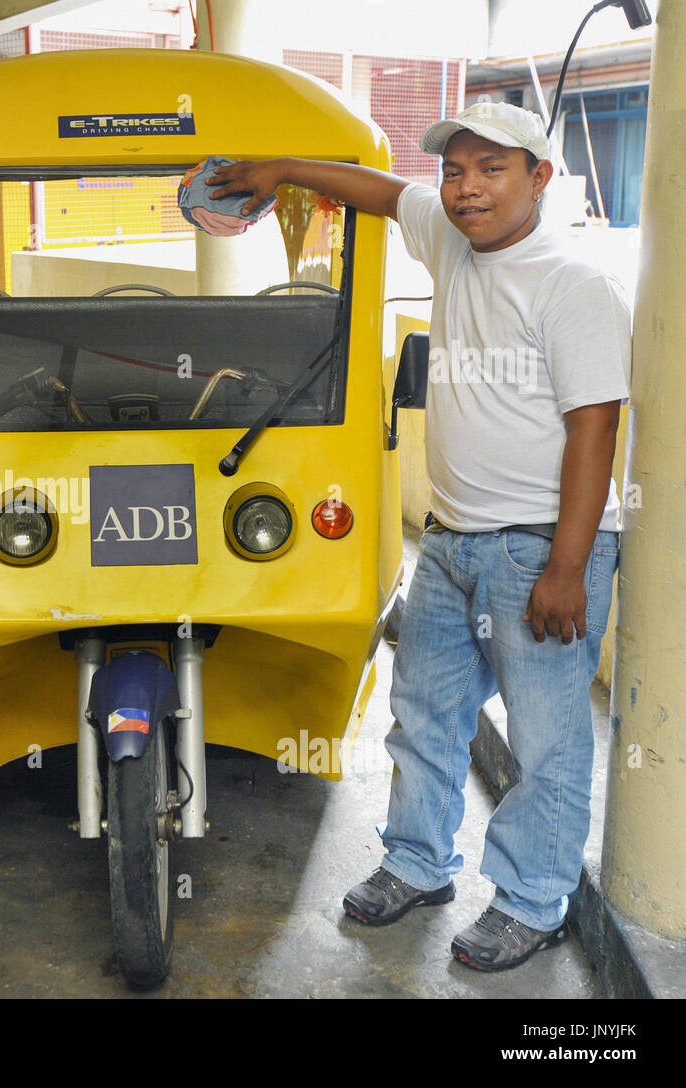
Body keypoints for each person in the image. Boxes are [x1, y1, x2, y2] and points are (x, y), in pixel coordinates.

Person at [208, 101, 630, 971]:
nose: (467, 188)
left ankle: (531, 901)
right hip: (451, 539)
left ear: (541, 177)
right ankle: (416, 862)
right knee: (424, 714)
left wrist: (568, 567)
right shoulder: (451, 237)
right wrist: (283, 170)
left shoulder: (573, 284)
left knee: (547, 740)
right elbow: (377, 190)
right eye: (456, 170)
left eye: (492, 170)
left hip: (539, 549)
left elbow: (596, 429)